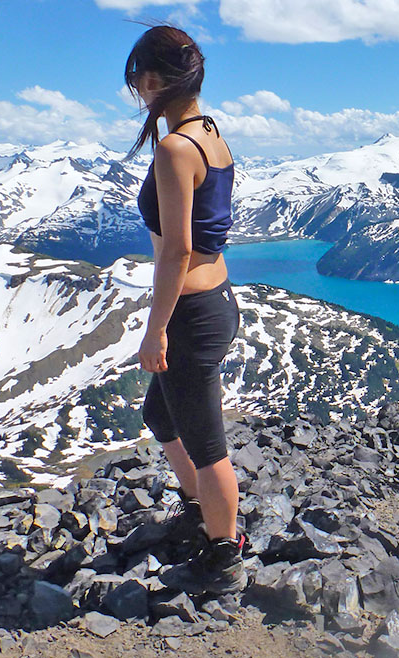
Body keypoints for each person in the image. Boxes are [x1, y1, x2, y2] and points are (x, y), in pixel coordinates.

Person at [122, 23, 246, 595]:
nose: (137, 93)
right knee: (162, 417)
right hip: (216, 300)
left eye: (136, 83)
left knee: (206, 444)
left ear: (151, 79)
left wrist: (156, 331)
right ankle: (201, 510)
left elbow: (177, 250)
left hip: (191, 313)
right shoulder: (209, 135)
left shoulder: (175, 147)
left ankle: (224, 555)